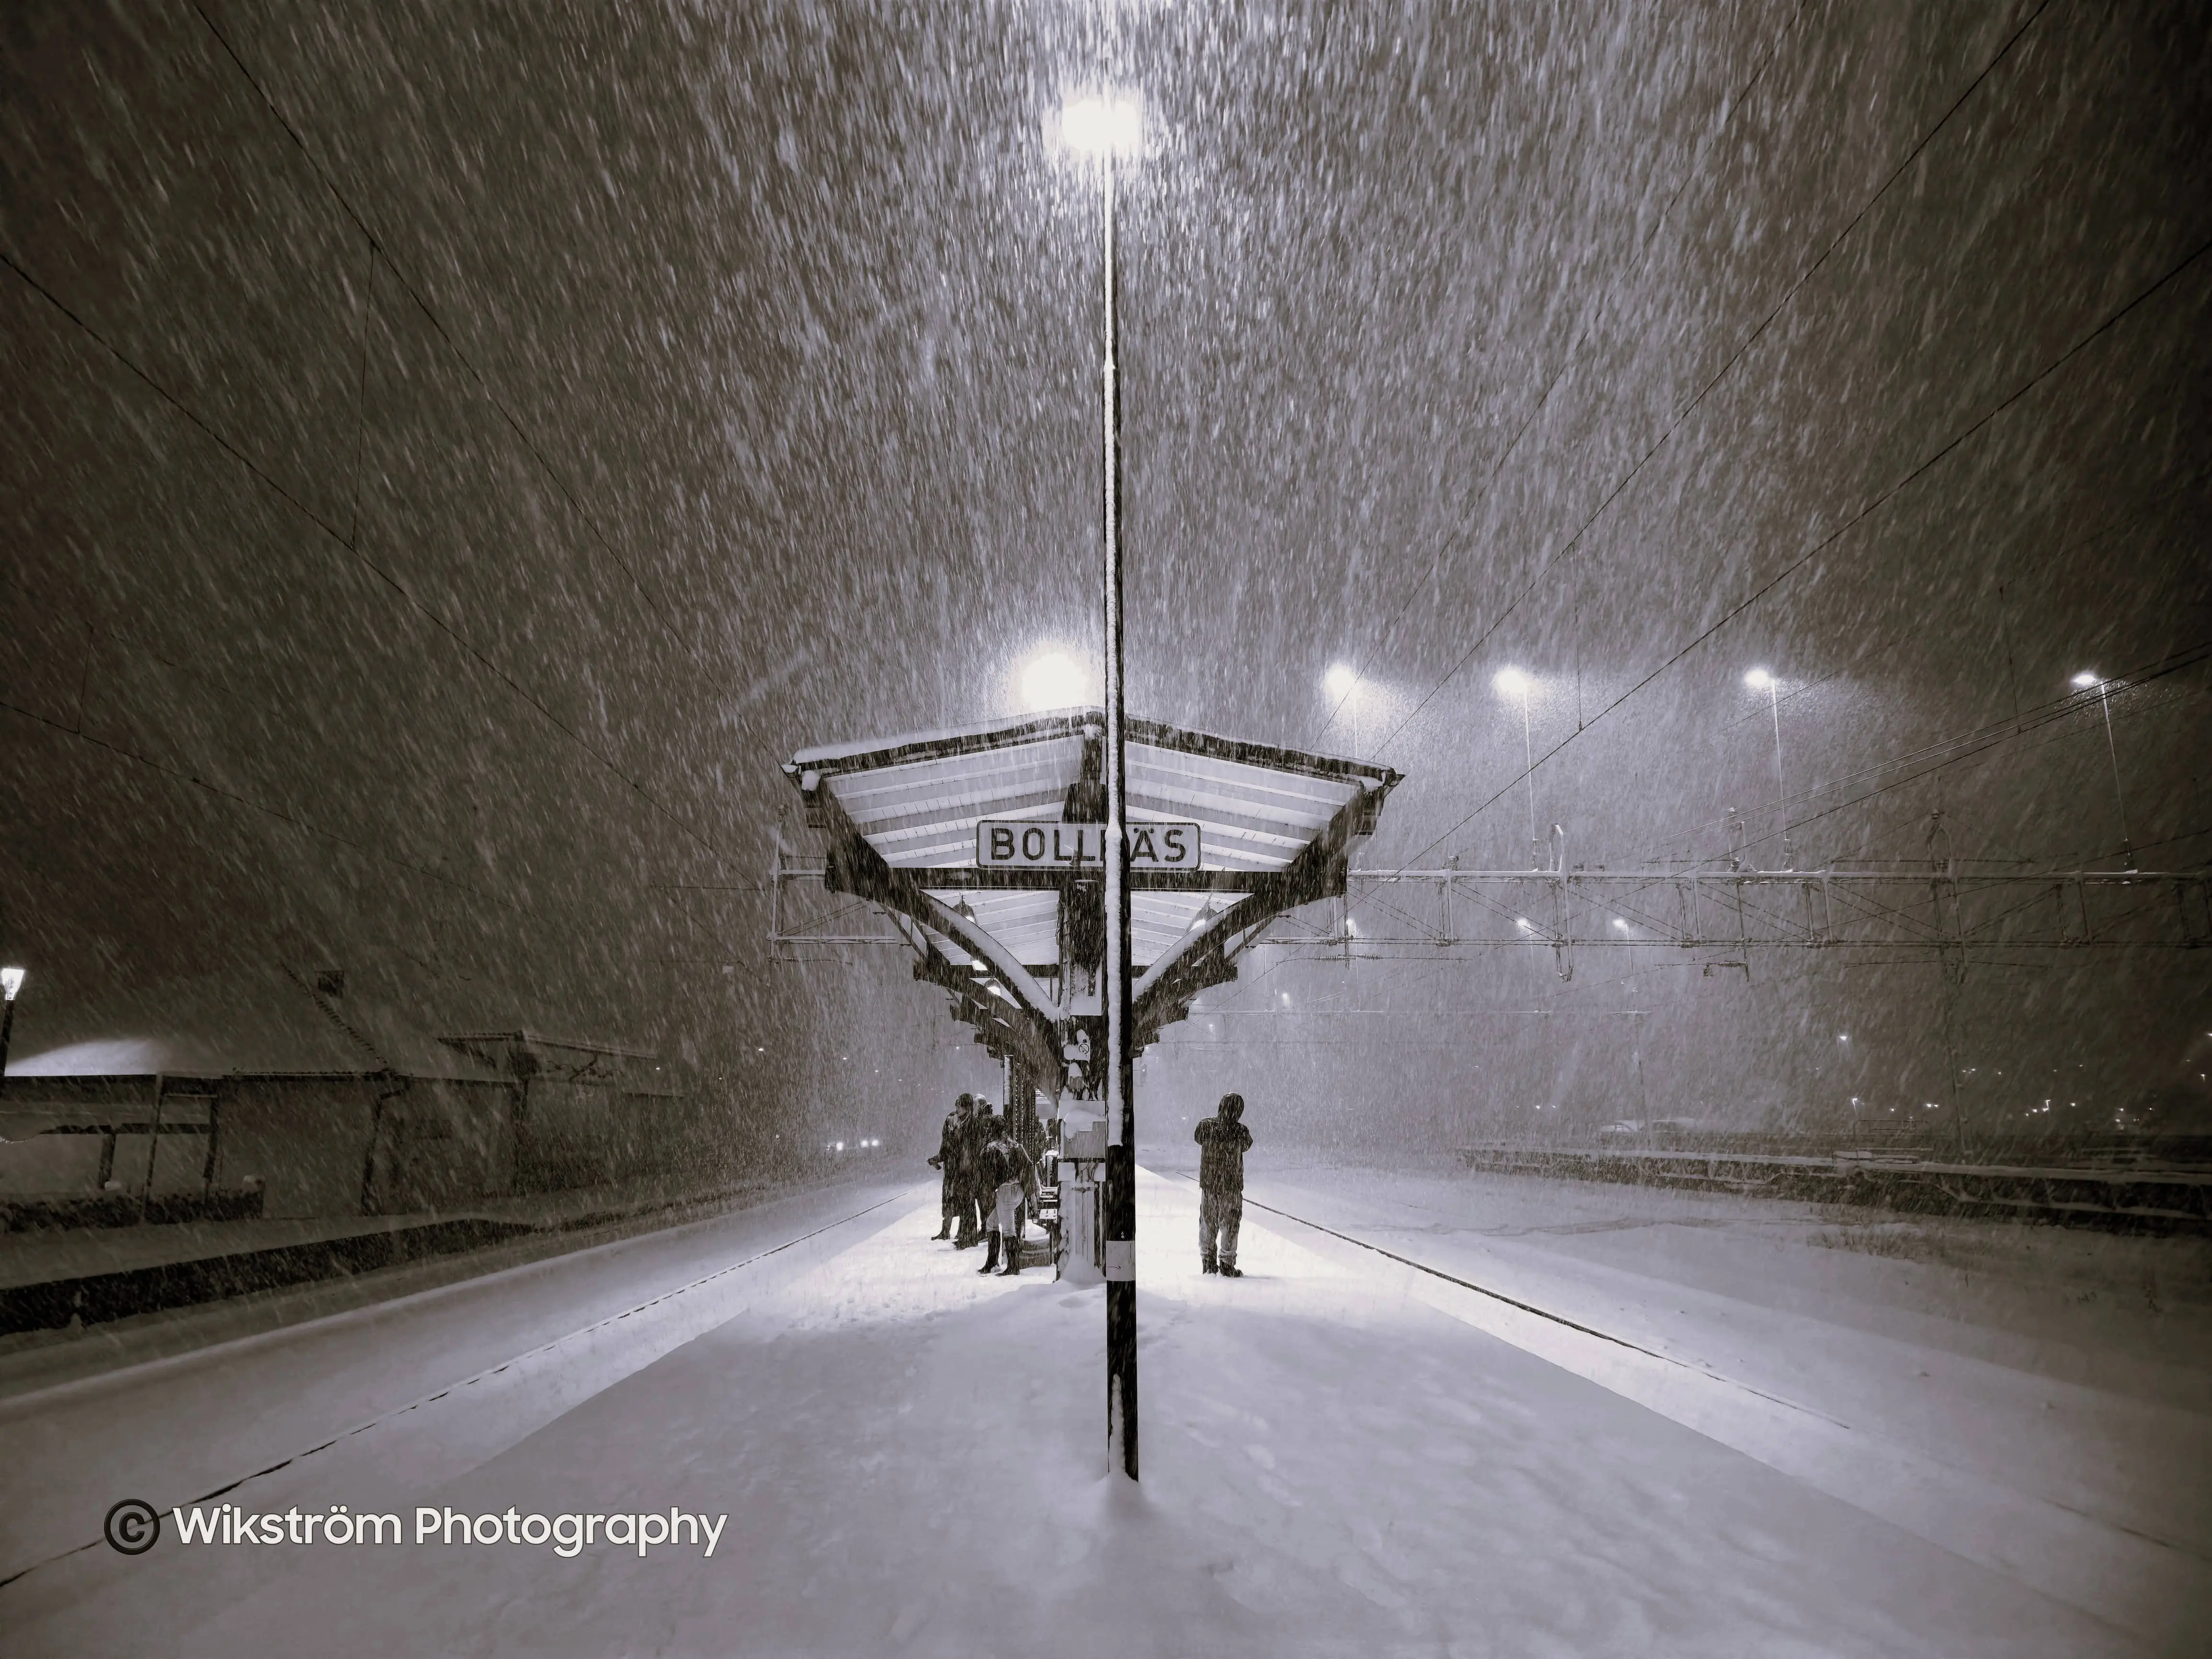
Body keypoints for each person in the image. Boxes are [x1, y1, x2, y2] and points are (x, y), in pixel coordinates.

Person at [1193, 1092, 1253, 1276]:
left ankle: (1208, 1262)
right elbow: (1247, 1145)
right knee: (1230, 1225)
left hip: (1210, 1184)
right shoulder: (1241, 1132)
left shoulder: (1206, 1126)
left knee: (1208, 1224)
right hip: (1231, 1187)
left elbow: (1198, 1138)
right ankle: (1227, 1264)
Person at [976, 1111, 1039, 1276]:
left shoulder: (991, 1148)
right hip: (1018, 1191)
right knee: (992, 1223)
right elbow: (1029, 1165)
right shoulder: (1015, 1145)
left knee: (1009, 1230)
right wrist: (1030, 1193)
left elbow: (988, 1176)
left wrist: (988, 1192)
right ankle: (993, 1263)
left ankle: (1012, 1267)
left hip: (1005, 1192)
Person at [927, 1094, 971, 1240]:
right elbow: (945, 1147)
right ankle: (946, 1231)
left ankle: (961, 1231)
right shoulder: (951, 1121)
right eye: (956, 1106)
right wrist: (938, 1158)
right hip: (953, 1170)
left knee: (962, 1201)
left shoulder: (970, 1123)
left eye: (959, 1106)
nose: (957, 1109)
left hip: (964, 1170)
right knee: (949, 1200)